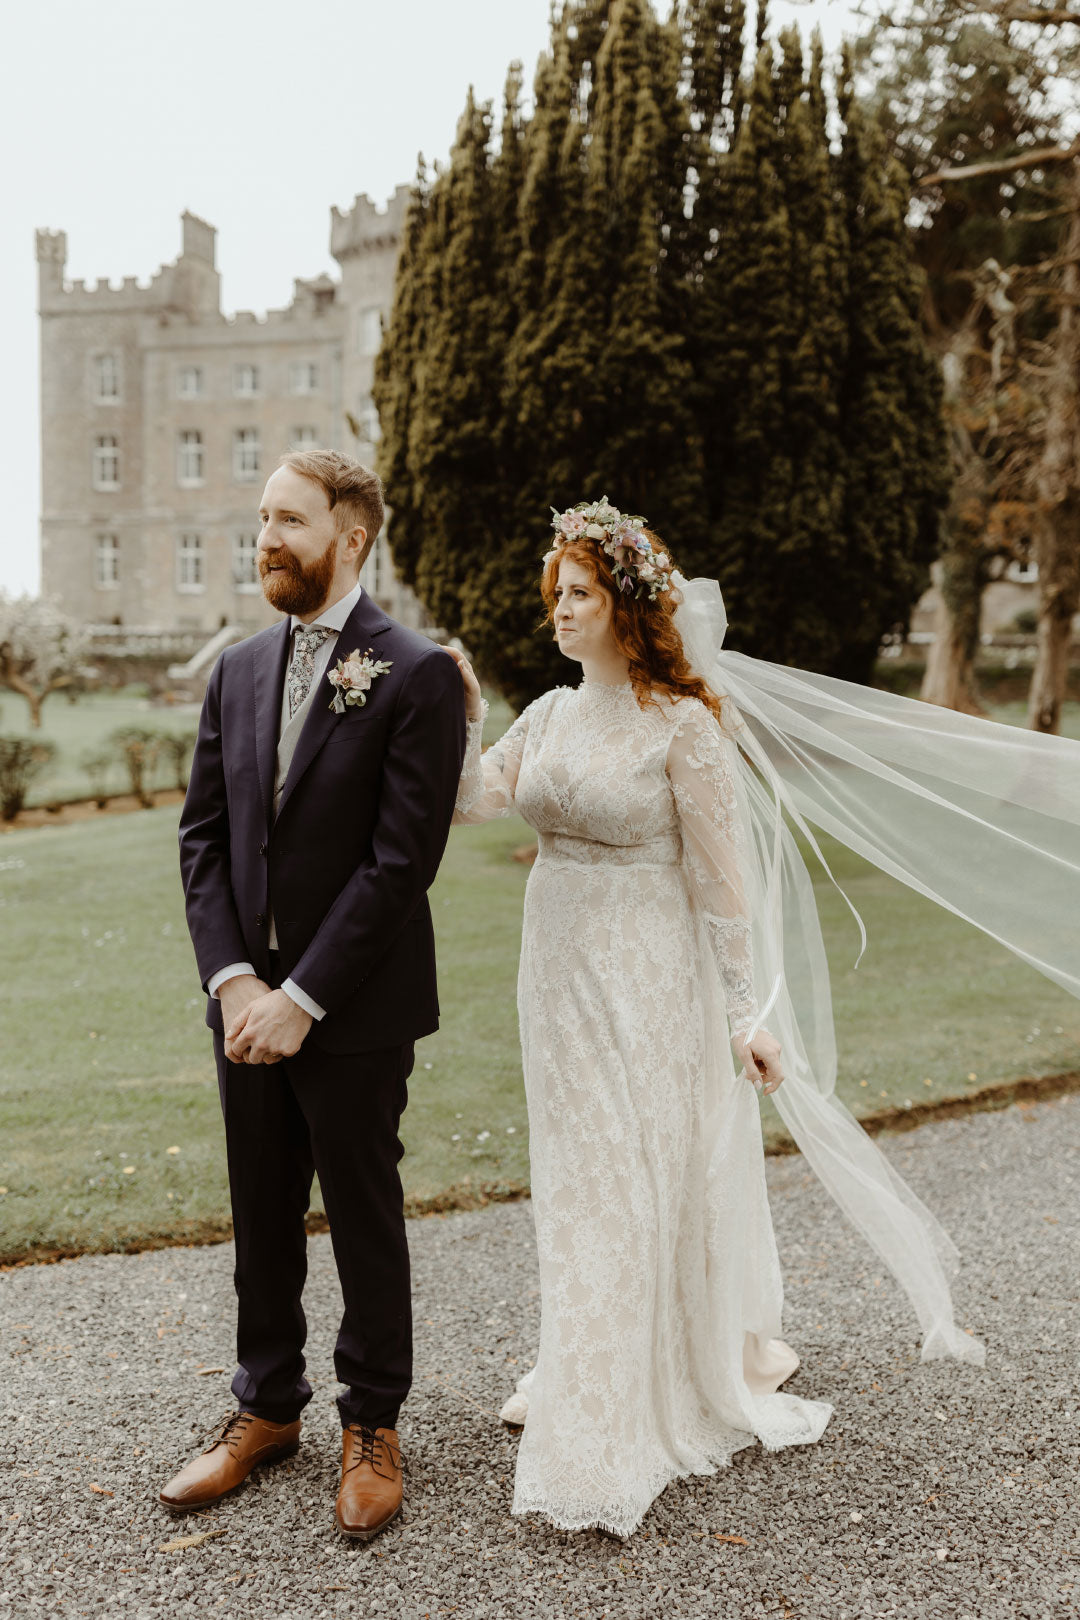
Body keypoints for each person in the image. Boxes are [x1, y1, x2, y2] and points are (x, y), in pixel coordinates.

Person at [445, 495, 1080, 1539]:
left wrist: (749, 1012)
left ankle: (619, 1398)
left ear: (626, 606)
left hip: (650, 975)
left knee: (632, 1172)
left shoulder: (685, 726)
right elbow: (476, 800)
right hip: (554, 972)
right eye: (554, 594)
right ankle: (586, 1354)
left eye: (578, 594)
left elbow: (724, 883)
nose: (557, 611)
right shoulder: (551, 715)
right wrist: (464, 713)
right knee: (578, 1170)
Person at [168, 449, 466, 1540]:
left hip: (353, 1009)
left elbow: (401, 864)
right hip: (244, 1005)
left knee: (361, 1207)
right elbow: (202, 838)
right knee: (258, 1205)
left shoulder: (416, 673)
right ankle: (266, 1406)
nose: (266, 538)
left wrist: (305, 994)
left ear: (352, 535)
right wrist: (238, 979)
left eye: (288, 519)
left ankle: (372, 1421)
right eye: (260, 519)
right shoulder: (238, 669)